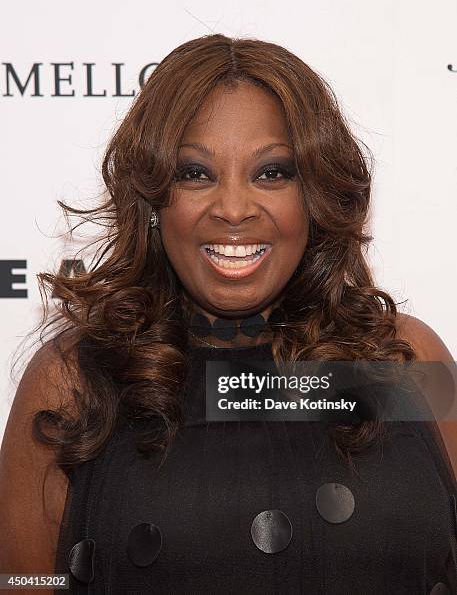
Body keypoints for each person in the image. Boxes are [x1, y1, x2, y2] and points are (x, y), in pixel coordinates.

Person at [0, 33, 456, 595]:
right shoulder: (75, 380)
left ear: (314, 195)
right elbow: (19, 580)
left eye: (272, 173)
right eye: (196, 173)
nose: (235, 209)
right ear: (151, 200)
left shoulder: (409, 362)